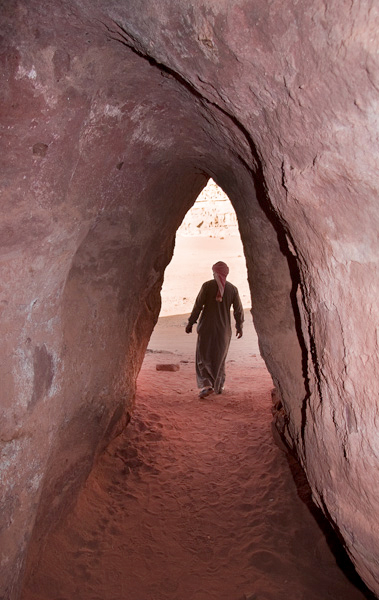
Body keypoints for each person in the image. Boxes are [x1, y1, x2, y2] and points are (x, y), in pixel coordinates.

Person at [185, 261, 244, 399]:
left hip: (206, 327)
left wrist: (191, 322)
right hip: (224, 330)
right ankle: (218, 386)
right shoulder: (233, 289)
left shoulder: (207, 286)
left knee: (203, 356)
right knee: (220, 357)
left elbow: (198, 306)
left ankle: (207, 385)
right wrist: (239, 326)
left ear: (215, 273)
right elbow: (239, 310)